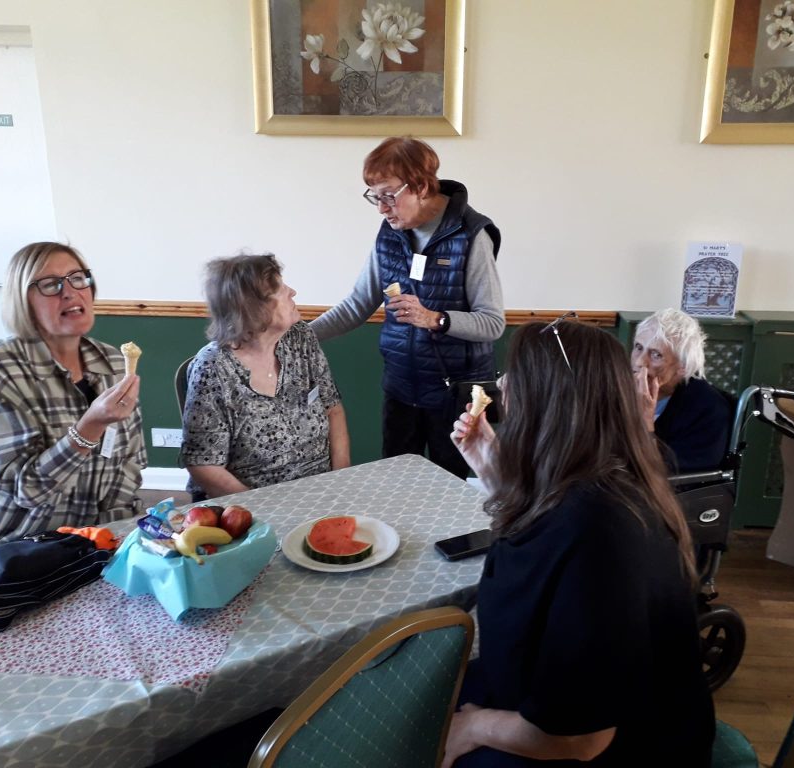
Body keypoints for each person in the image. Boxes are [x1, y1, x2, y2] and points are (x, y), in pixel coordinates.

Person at [444, 320, 714, 767]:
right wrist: (488, 464)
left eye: (519, 376)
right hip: (557, 705)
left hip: (619, 747)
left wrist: (475, 726)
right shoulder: (596, 478)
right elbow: (539, 534)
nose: (504, 385)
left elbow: (579, 738)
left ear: (552, 404)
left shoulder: (600, 532)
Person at [310, 137, 504, 479]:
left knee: (450, 493)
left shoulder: (472, 235)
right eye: (375, 196)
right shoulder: (389, 235)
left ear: (420, 186)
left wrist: (435, 319)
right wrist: (298, 335)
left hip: (454, 397)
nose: (382, 208)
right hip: (400, 388)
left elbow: (492, 323)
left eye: (388, 195)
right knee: (395, 485)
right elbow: (357, 304)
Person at [0, 242, 146, 558]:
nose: (70, 292)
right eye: (50, 285)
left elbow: (129, 464)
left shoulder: (114, 364)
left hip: (84, 546)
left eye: (78, 278)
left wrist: (119, 542)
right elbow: (28, 492)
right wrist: (89, 428)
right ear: (22, 301)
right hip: (5, 552)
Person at [180, 254, 349, 501]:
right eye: (280, 289)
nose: (292, 292)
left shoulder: (300, 337)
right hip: (252, 504)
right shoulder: (213, 368)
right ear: (252, 307)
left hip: (320, 491)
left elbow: (332, 408)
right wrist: (265, 509)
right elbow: (203, 465)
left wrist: (341, 482)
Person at [632, 308, 732, 473]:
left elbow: (662, 473)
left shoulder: (708, 408)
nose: (640, 362)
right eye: (638, 347)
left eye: (656, 355)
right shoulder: (619, 388)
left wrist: (645, 420)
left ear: (683, 367)